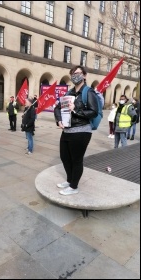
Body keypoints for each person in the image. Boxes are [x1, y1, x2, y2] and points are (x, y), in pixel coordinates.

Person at [54, 65, 98, 196]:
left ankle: (74, 186)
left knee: (76, 160)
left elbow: (94, 112)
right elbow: (57, 108)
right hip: (67, 130)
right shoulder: (69, 93)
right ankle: (69, 180)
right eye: (73, 73)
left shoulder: (88, 92)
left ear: (84, 75)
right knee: (64, 157)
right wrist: (59, 120)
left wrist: (75, 109)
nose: (75, 75)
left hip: (81, 131)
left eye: (78, 73)